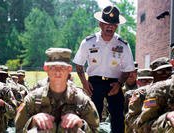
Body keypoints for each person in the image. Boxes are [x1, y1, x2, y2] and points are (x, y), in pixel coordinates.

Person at [73, 5, 135, 133]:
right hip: (94, 84)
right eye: (107, 23)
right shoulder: (88, 42)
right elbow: (79, 64)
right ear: (100, 24)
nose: (110, 26)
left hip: (115, 84)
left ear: (117, 26)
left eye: (113, 24)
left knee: (118, 117)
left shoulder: (123, 45)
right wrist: (85, 83)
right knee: (92, 116)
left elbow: (128, 68)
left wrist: (119, 84)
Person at [15, 48, 100, 133]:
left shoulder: (82, 101)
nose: (58, 71)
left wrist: (81, 124)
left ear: (69, 69)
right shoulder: (32, 99)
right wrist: (32, 122)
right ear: (46, 68)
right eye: (53, 67)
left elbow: (95, 130)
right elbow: (18, 129)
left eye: (62, 67)